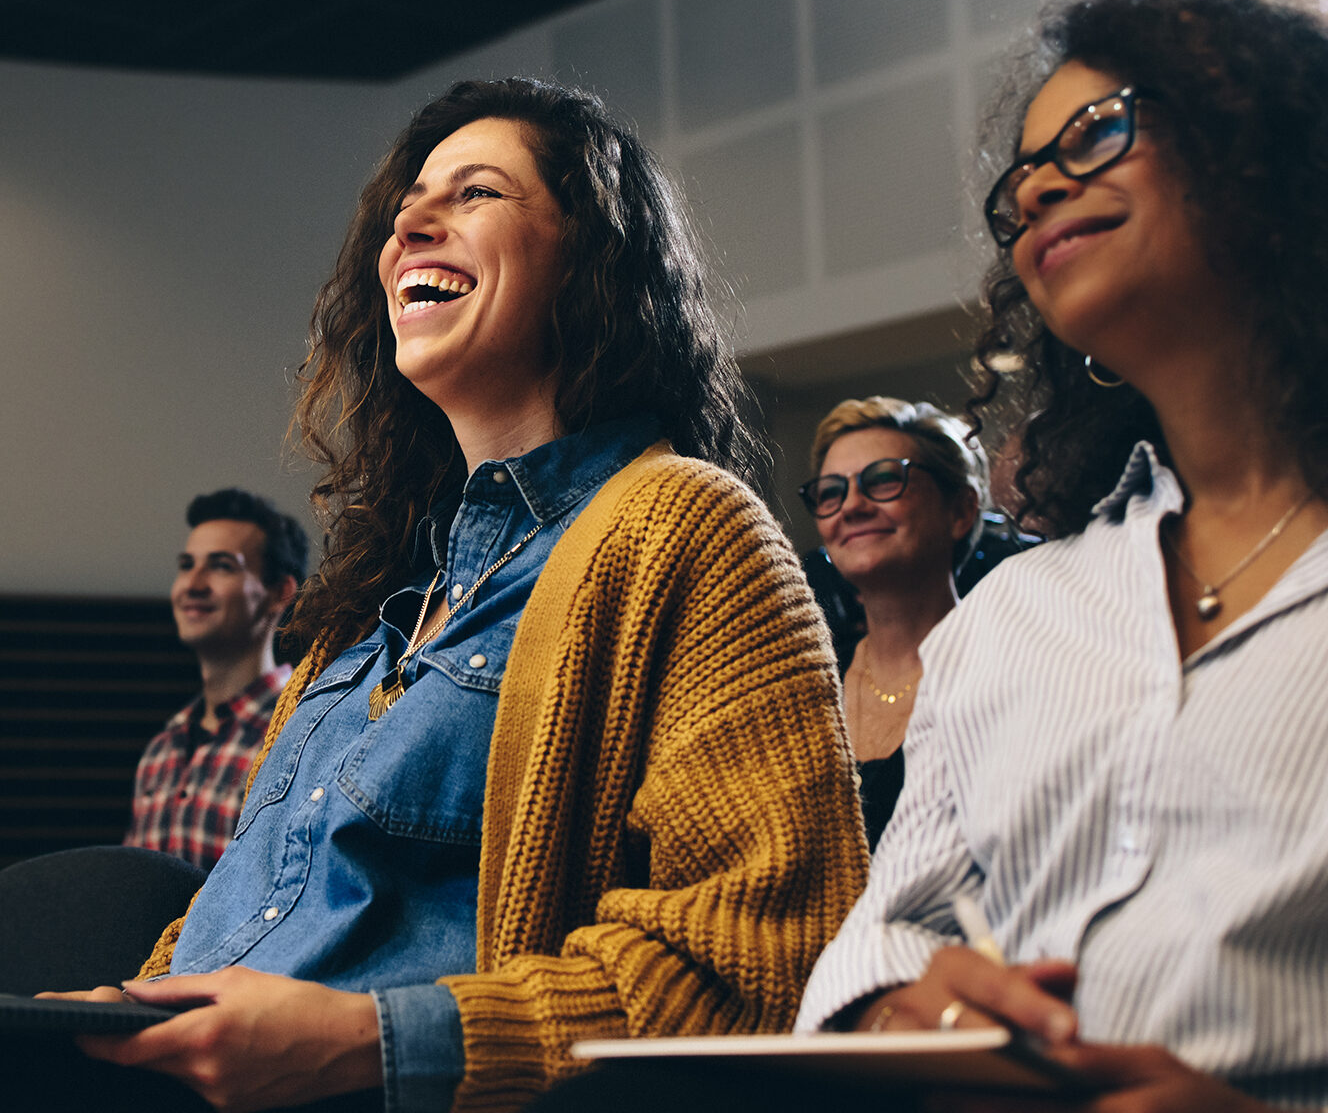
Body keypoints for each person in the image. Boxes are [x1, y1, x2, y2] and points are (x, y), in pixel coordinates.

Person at [42, 78, 866, 1113]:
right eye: (406, 208)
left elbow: (759, 971)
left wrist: (371, 1042)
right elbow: (257, 910)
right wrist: (133, 1004)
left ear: (592, 257)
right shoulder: (371, 604)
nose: (412, 224)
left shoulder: (684, 529)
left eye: (474, 193)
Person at [795, 0, 1328, 1112]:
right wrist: (905, 1009)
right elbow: (886, 933)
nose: (1044, 185)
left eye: (1098, 132)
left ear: (1277, 160)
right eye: (1022, 181)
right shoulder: (1017, 616)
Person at [799, 397, 988, 849]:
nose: (852, 506)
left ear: (960, 510)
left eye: (884, 480)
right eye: (830, 492)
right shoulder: (806, 686)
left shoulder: (1010, 664)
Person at [124, 489, 308, 871]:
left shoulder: (302, 732)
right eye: (187, 565)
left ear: (280, 593)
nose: (193, 584)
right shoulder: (160, 750)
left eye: (221, 565)